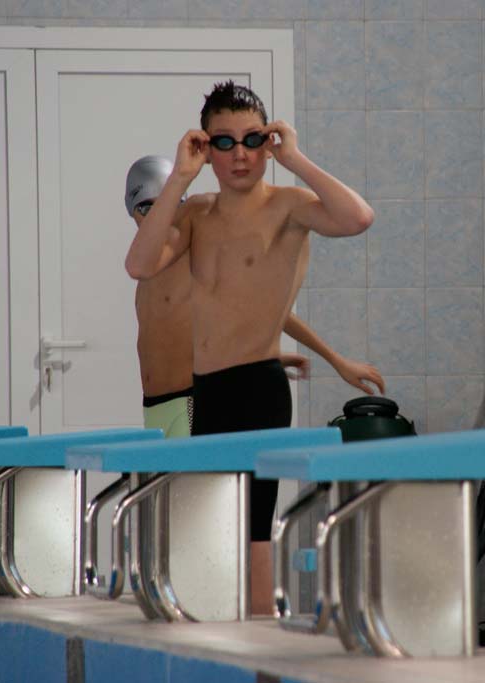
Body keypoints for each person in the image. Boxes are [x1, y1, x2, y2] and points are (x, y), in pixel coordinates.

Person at [124, 81, 374, 614]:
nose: (239, 154)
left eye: (252, 139)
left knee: (253, 530)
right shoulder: (196, 214)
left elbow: (357, 218)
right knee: (208, 524)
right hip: (205, 392)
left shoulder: (289, 207)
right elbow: (139, 264)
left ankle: (260, 638)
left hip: (257, 388)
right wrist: (180, 178)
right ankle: (213, 633)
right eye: (224, 142)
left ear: (268, 143)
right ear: (205, 149)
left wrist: (296, 159)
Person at [125, 155, 385, 439]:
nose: (158, 216)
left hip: (189, 402)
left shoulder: (192, 256)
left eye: (170, 204)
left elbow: (270, 311)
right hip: (154, 408)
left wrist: (336, 361)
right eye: (146, 208)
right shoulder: (144, 266)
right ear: (130, 210)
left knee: (198, 470)